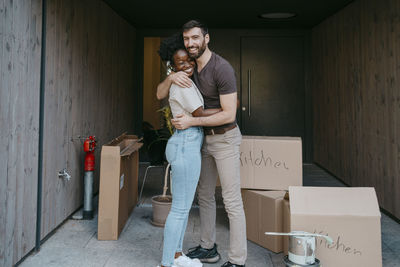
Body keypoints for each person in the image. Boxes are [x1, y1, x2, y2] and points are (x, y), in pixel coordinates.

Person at [156, 20, 246, 267]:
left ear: (207, 38)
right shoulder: (189, 67)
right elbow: (160, 93)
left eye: (195, 38)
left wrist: (192, 120)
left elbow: (229, 114)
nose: (191, 43)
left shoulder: (222, 68)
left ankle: (237, 260)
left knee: (231, 200)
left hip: (225, 138)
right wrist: (172, 77)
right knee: (204, 196)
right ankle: (208, 248)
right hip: (203, 140)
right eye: (187, 39)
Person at [157, 33, 222, 267]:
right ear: (173, 66)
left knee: (182, 208)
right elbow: (199, 115)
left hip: (186, 142)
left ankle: (176, 255)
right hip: (185, 144)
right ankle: (167, 262)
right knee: (180, 208)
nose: (186, 65)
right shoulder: (181, 84)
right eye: (180, 63)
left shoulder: (188, 81)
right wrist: (227, 109)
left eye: (189, 61)